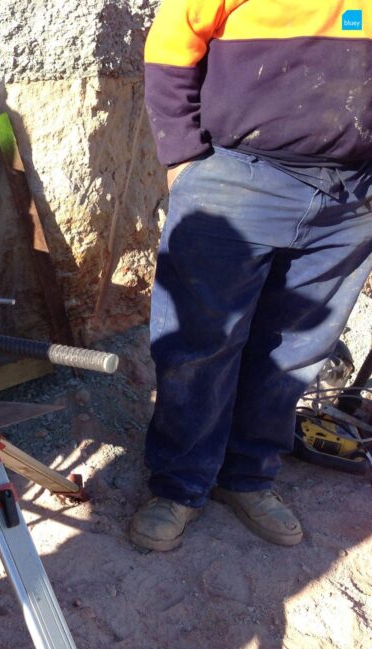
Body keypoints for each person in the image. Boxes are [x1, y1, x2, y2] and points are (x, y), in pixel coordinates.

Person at [132, 0, 372, 551]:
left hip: (353, 195)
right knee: (200, 345)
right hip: (240, 175)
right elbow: (172, 42)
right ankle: (180, 485)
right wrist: (184, 156)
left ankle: (247, 477)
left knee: (296, 350)